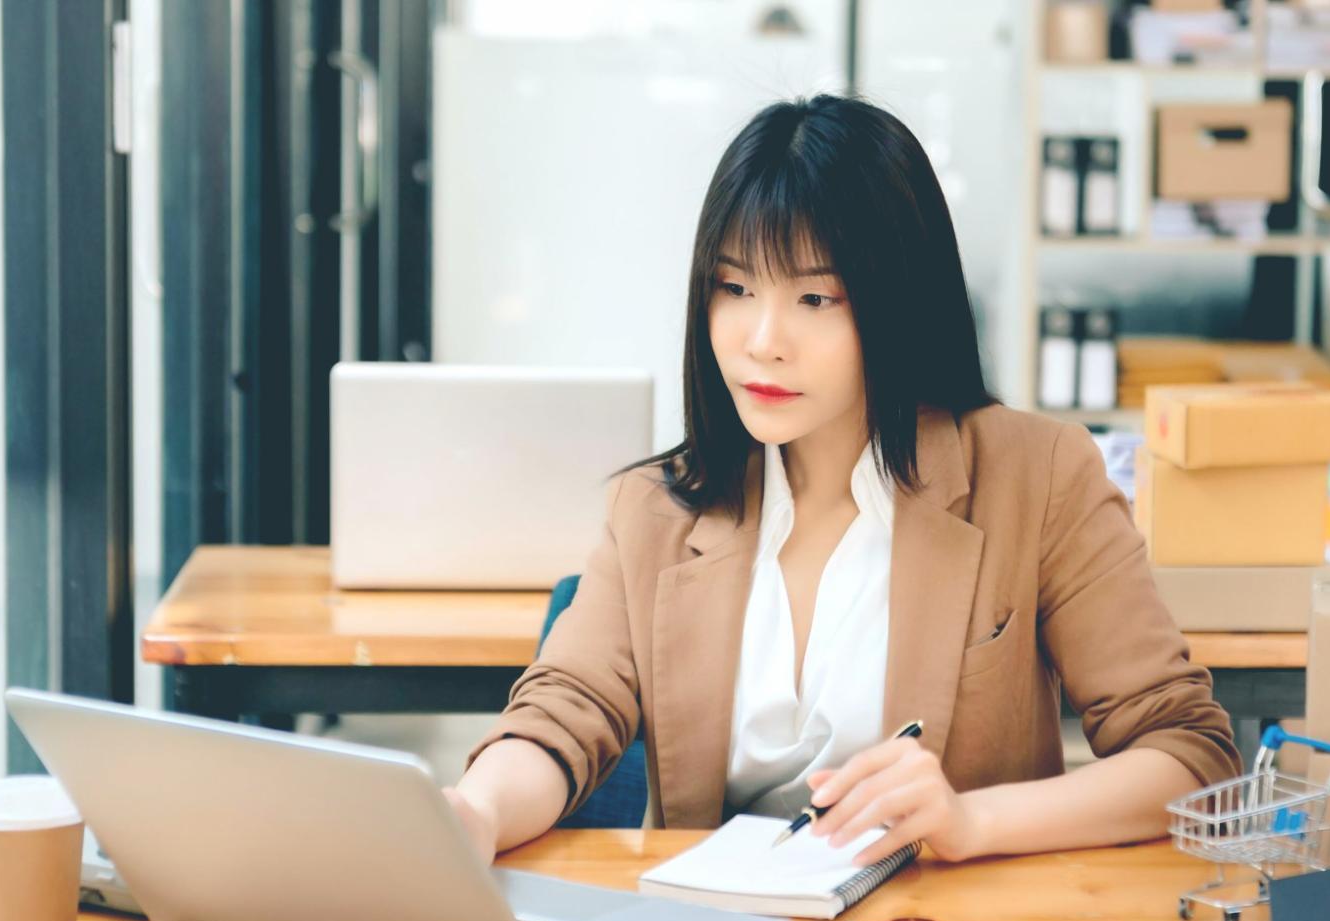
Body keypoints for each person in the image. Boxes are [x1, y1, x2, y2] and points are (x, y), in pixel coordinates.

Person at [445, 94, 1240, 868]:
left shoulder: (1038, 474)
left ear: (899, 302)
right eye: (735, 288)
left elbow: (1188, 754)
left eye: (815, 297)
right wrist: (475, 811)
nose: (763, 340)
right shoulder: (655, 509)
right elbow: (560, 718)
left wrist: (971, 820)